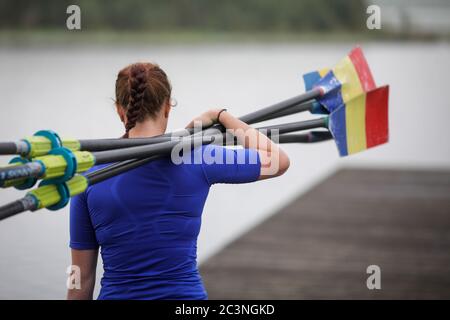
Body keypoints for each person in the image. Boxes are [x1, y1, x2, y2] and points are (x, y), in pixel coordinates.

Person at [67, 62, 290, 300]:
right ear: (167, 107)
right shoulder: (200, 157)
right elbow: (277, 160)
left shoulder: (87, 175)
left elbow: (79, 277)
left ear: (120, 110)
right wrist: (221, 116)